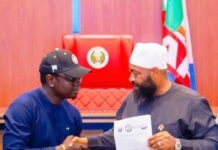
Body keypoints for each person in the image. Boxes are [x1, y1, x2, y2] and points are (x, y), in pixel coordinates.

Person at [72, 43, 218, 150]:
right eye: (130, 72)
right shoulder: (134, 97)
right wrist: (86, 142)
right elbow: (119, 136)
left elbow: (213, 143)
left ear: (154, 72)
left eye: (136, 73)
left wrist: (178, 144)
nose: (130, 78)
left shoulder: (191, 102)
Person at [3, 49, 90, 150]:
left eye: (79, 79)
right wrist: (60, 149)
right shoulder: (22, 108)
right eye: (72, 79)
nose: (78, 84)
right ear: (51, 80)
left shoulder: (73, 113)